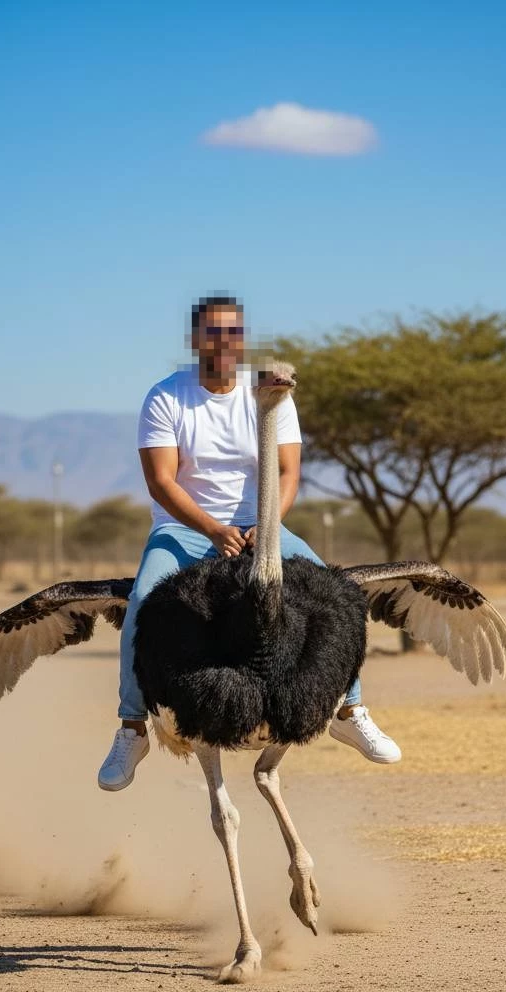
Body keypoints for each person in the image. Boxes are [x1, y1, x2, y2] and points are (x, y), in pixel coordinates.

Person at [98, 295, 402, 790]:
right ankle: (132, 726)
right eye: (214, 333)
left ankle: (349, 707)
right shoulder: (166, 397)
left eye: (233, 333)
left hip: (261, 525)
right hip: (184, 529)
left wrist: (267, 523)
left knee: (334, 595)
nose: (225, 343)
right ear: (196, 340)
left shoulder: (269, 394)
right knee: (141, 602)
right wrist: (212, 530)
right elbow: (162, 482)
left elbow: (287, 473)